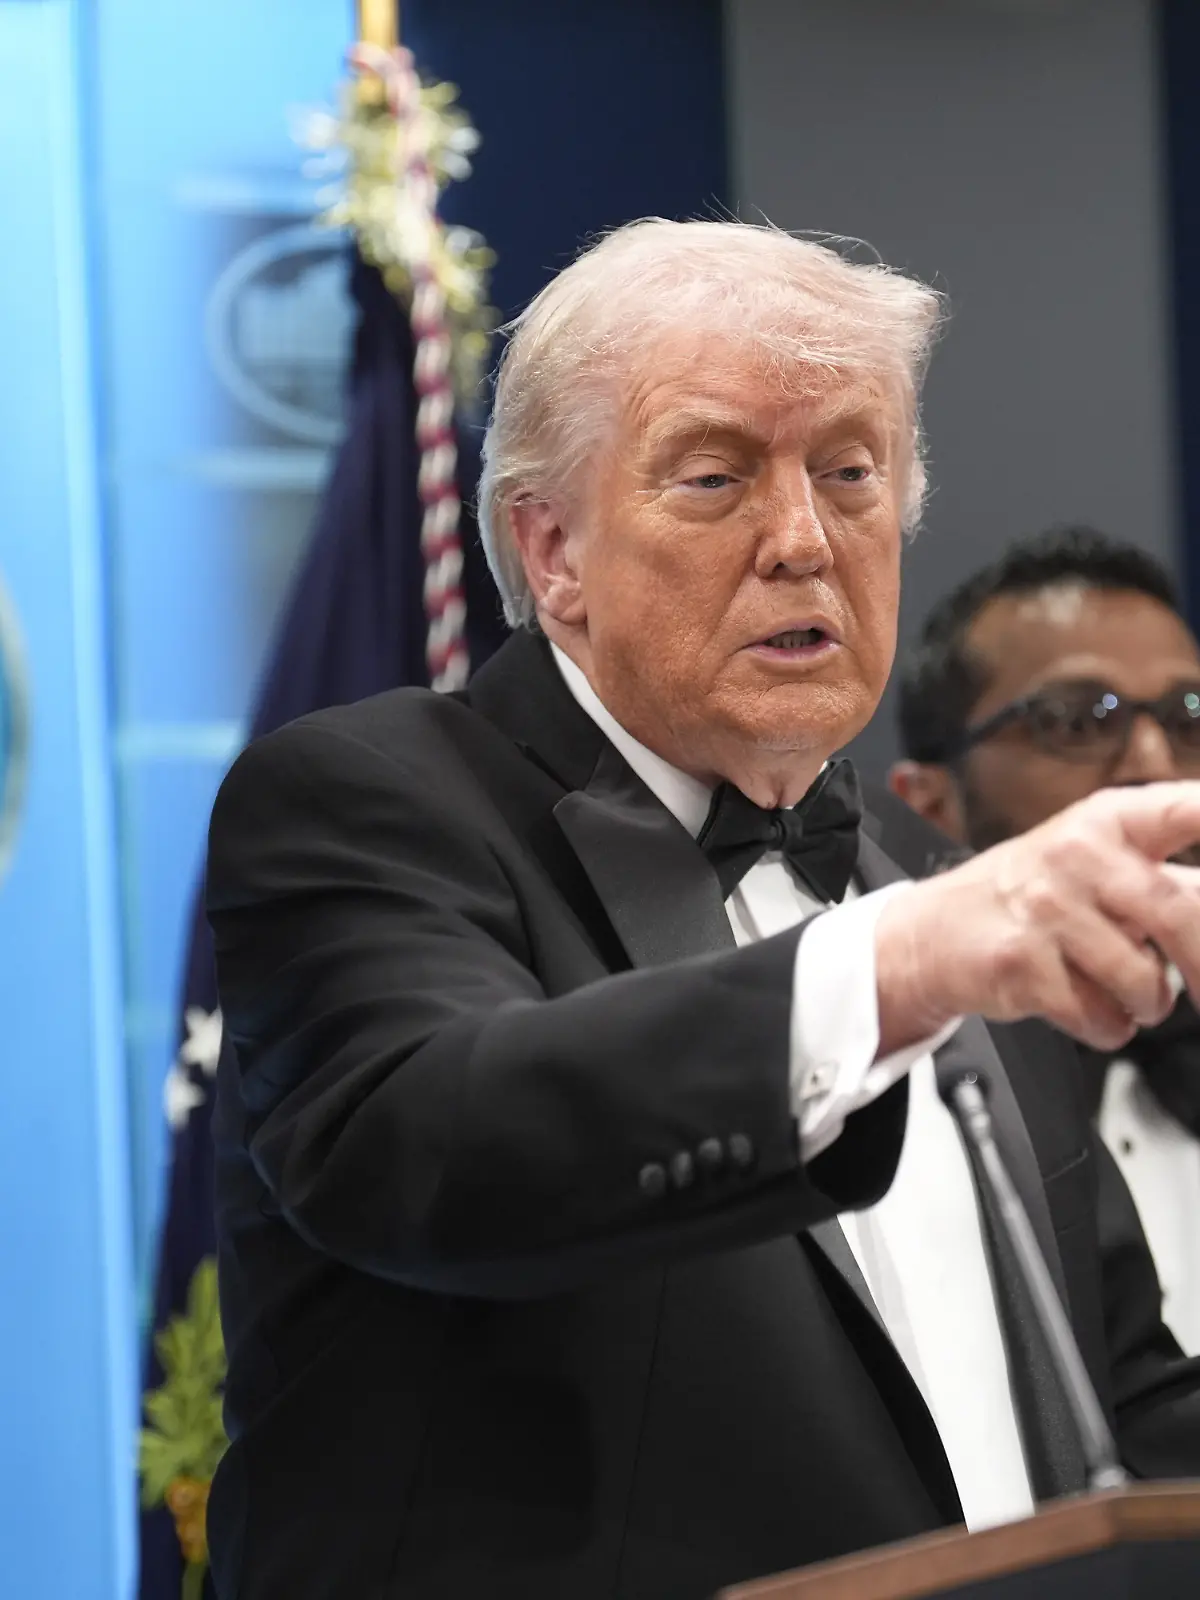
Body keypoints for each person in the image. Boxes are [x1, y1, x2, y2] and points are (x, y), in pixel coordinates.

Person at [206, 222, 1200, 1600]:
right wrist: (898, 968)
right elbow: (436, 1142)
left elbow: (1133, 1417)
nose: (802, 541)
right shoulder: (366, 803)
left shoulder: (933, 880)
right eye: (717, 475)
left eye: (850, 473)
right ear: (550, 549)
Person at [890, 527, 1200, 1355]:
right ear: (929, 801)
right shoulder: (872, 1093)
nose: (1153, 761)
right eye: (1074, 719)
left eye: (1189, 717)